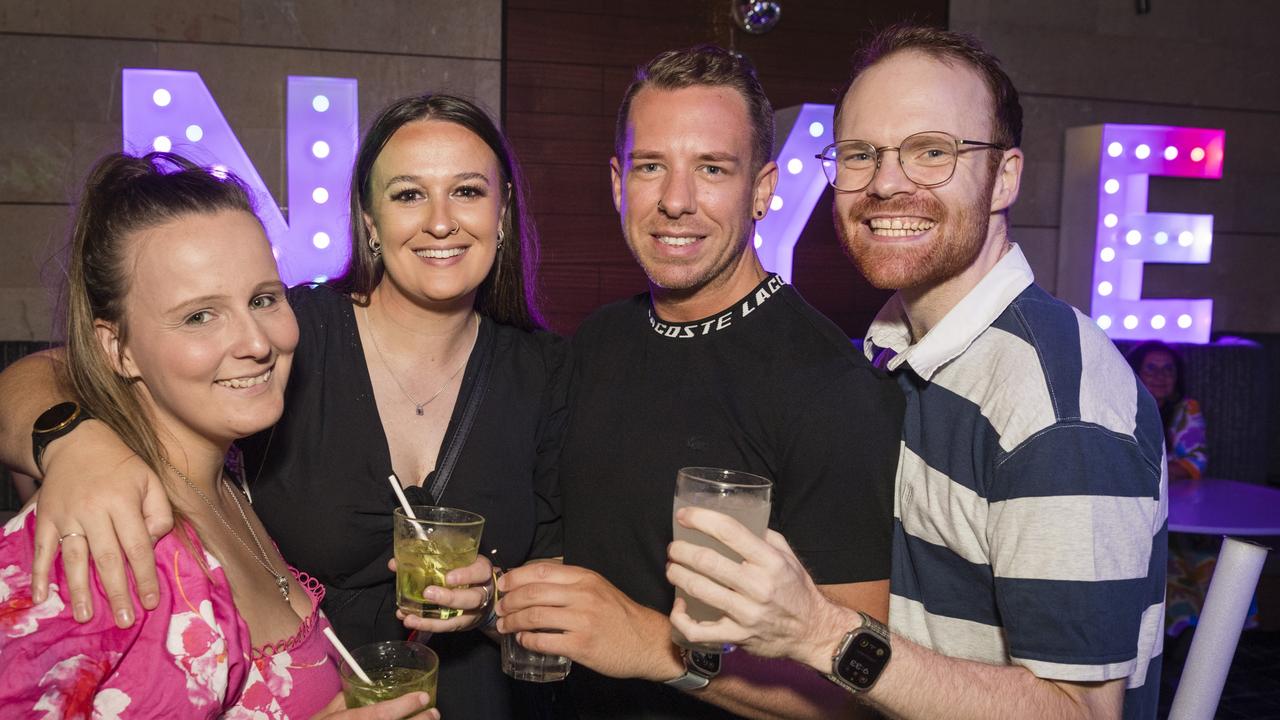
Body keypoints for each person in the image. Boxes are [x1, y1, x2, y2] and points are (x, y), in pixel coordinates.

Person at [0, 95, 567, 720]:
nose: (253, 341)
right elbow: (53, 367)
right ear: (369, 220)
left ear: (504, 210)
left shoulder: (546, 371)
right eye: (407, 194)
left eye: (466, 190)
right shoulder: (298, 337)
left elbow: (559, 595)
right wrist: (75, 442)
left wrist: (491, 601)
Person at [665, 25, 1166, 720]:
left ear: (1005, 177)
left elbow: (1081, 712)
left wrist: (818, 631)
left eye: (932, 152)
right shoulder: (894, 350)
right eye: (859, 154)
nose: (886, 183)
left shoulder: (1054, 409)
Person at [495, 46, 904, 719]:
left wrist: (658, 648)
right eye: (651, 166)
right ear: (618, 183)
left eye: (712, 169)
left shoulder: (834, 391)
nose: (675, 201)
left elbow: (856, 691)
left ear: (764, 188)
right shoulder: (596, 342)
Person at [0, 152, 436, 719]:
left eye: (262, 299)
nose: (256, 342)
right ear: (118, 348)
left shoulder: (227, 481)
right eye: (199, 316)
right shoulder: (109, 543)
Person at [1128, 340, 1207, 482]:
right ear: (1134, 373)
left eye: (1168, 369)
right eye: (1151, 368)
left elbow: (1196, 461)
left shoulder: (1186, 409)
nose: (1160, 376)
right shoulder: (1118, 409)